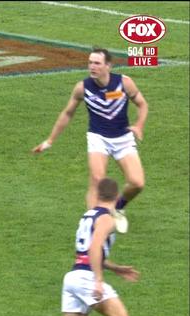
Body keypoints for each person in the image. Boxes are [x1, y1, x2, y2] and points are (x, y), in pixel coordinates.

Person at [10, 178, 140, 316]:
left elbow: (87, 252)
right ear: (115, 195)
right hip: (87, 278)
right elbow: (95, 247)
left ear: (99, 195)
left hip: (73, 277)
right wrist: (98, 280)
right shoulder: (106, 220)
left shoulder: (88, 215)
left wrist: (115, 267)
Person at [32, 48, 148, 233]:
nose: (92, 67)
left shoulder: (124, 83)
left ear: (108, 66)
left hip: (123, 137)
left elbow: (142, 104)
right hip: (98, 137)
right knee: (97, 179)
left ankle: (117, 207)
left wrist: (139, 125)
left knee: (137, 183)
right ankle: (92, 222)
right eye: (90, 63)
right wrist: (50, 140)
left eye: (97, 63)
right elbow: (67, 113)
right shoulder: (82, 88)